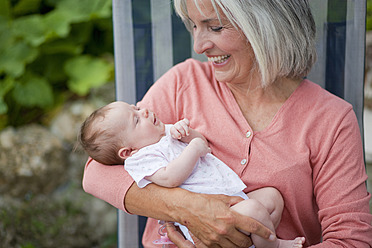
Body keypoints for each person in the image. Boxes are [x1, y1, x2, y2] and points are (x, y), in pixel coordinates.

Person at [82, 0, 372, 247]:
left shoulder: (331, 120)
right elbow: (96, 173)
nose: (198, 45)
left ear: (266, 26)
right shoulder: (184, 82)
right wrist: (191, 210)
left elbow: (350, 239)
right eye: (193, 25)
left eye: (215, 27)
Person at [78, 101, 306, 248]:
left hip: (234, 198)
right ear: (128, 151)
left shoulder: (162, 132)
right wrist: (193, 148)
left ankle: (255, 241)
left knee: (272, 197)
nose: (144, 110)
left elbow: (202, 142)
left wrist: (187, 134)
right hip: (215, 215)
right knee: (254, 210)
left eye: (136, 107)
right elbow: (169, 178)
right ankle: (273, 246)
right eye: (136, 119)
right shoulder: (141, 159)